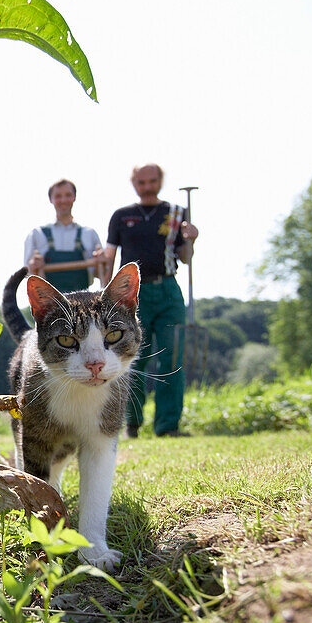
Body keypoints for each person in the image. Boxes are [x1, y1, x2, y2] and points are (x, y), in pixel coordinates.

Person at [97, 164, 199, 438]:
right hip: (131, 294)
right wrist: (103, 289)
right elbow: (109, 256)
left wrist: (192, 240)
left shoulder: (177, 213)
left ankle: (168, 426)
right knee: (132, 358)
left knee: (172, 357)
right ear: (134, 183)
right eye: (141, 182)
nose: (147, 186)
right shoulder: (121, 216)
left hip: (168, 288)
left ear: (160, 181)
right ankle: (131, 424)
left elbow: (186, 257)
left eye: (152, 181)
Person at [23, 179, 106, 292]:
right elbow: (28, 275)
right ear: (51, 199)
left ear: (74, 197)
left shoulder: (89, 234)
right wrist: (33, 267)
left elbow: (101, 275)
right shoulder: (37, 235)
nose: (63, 200)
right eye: (58, 196)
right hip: (49, 304)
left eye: (68, 195)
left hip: (82, 304)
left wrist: (102, 262)